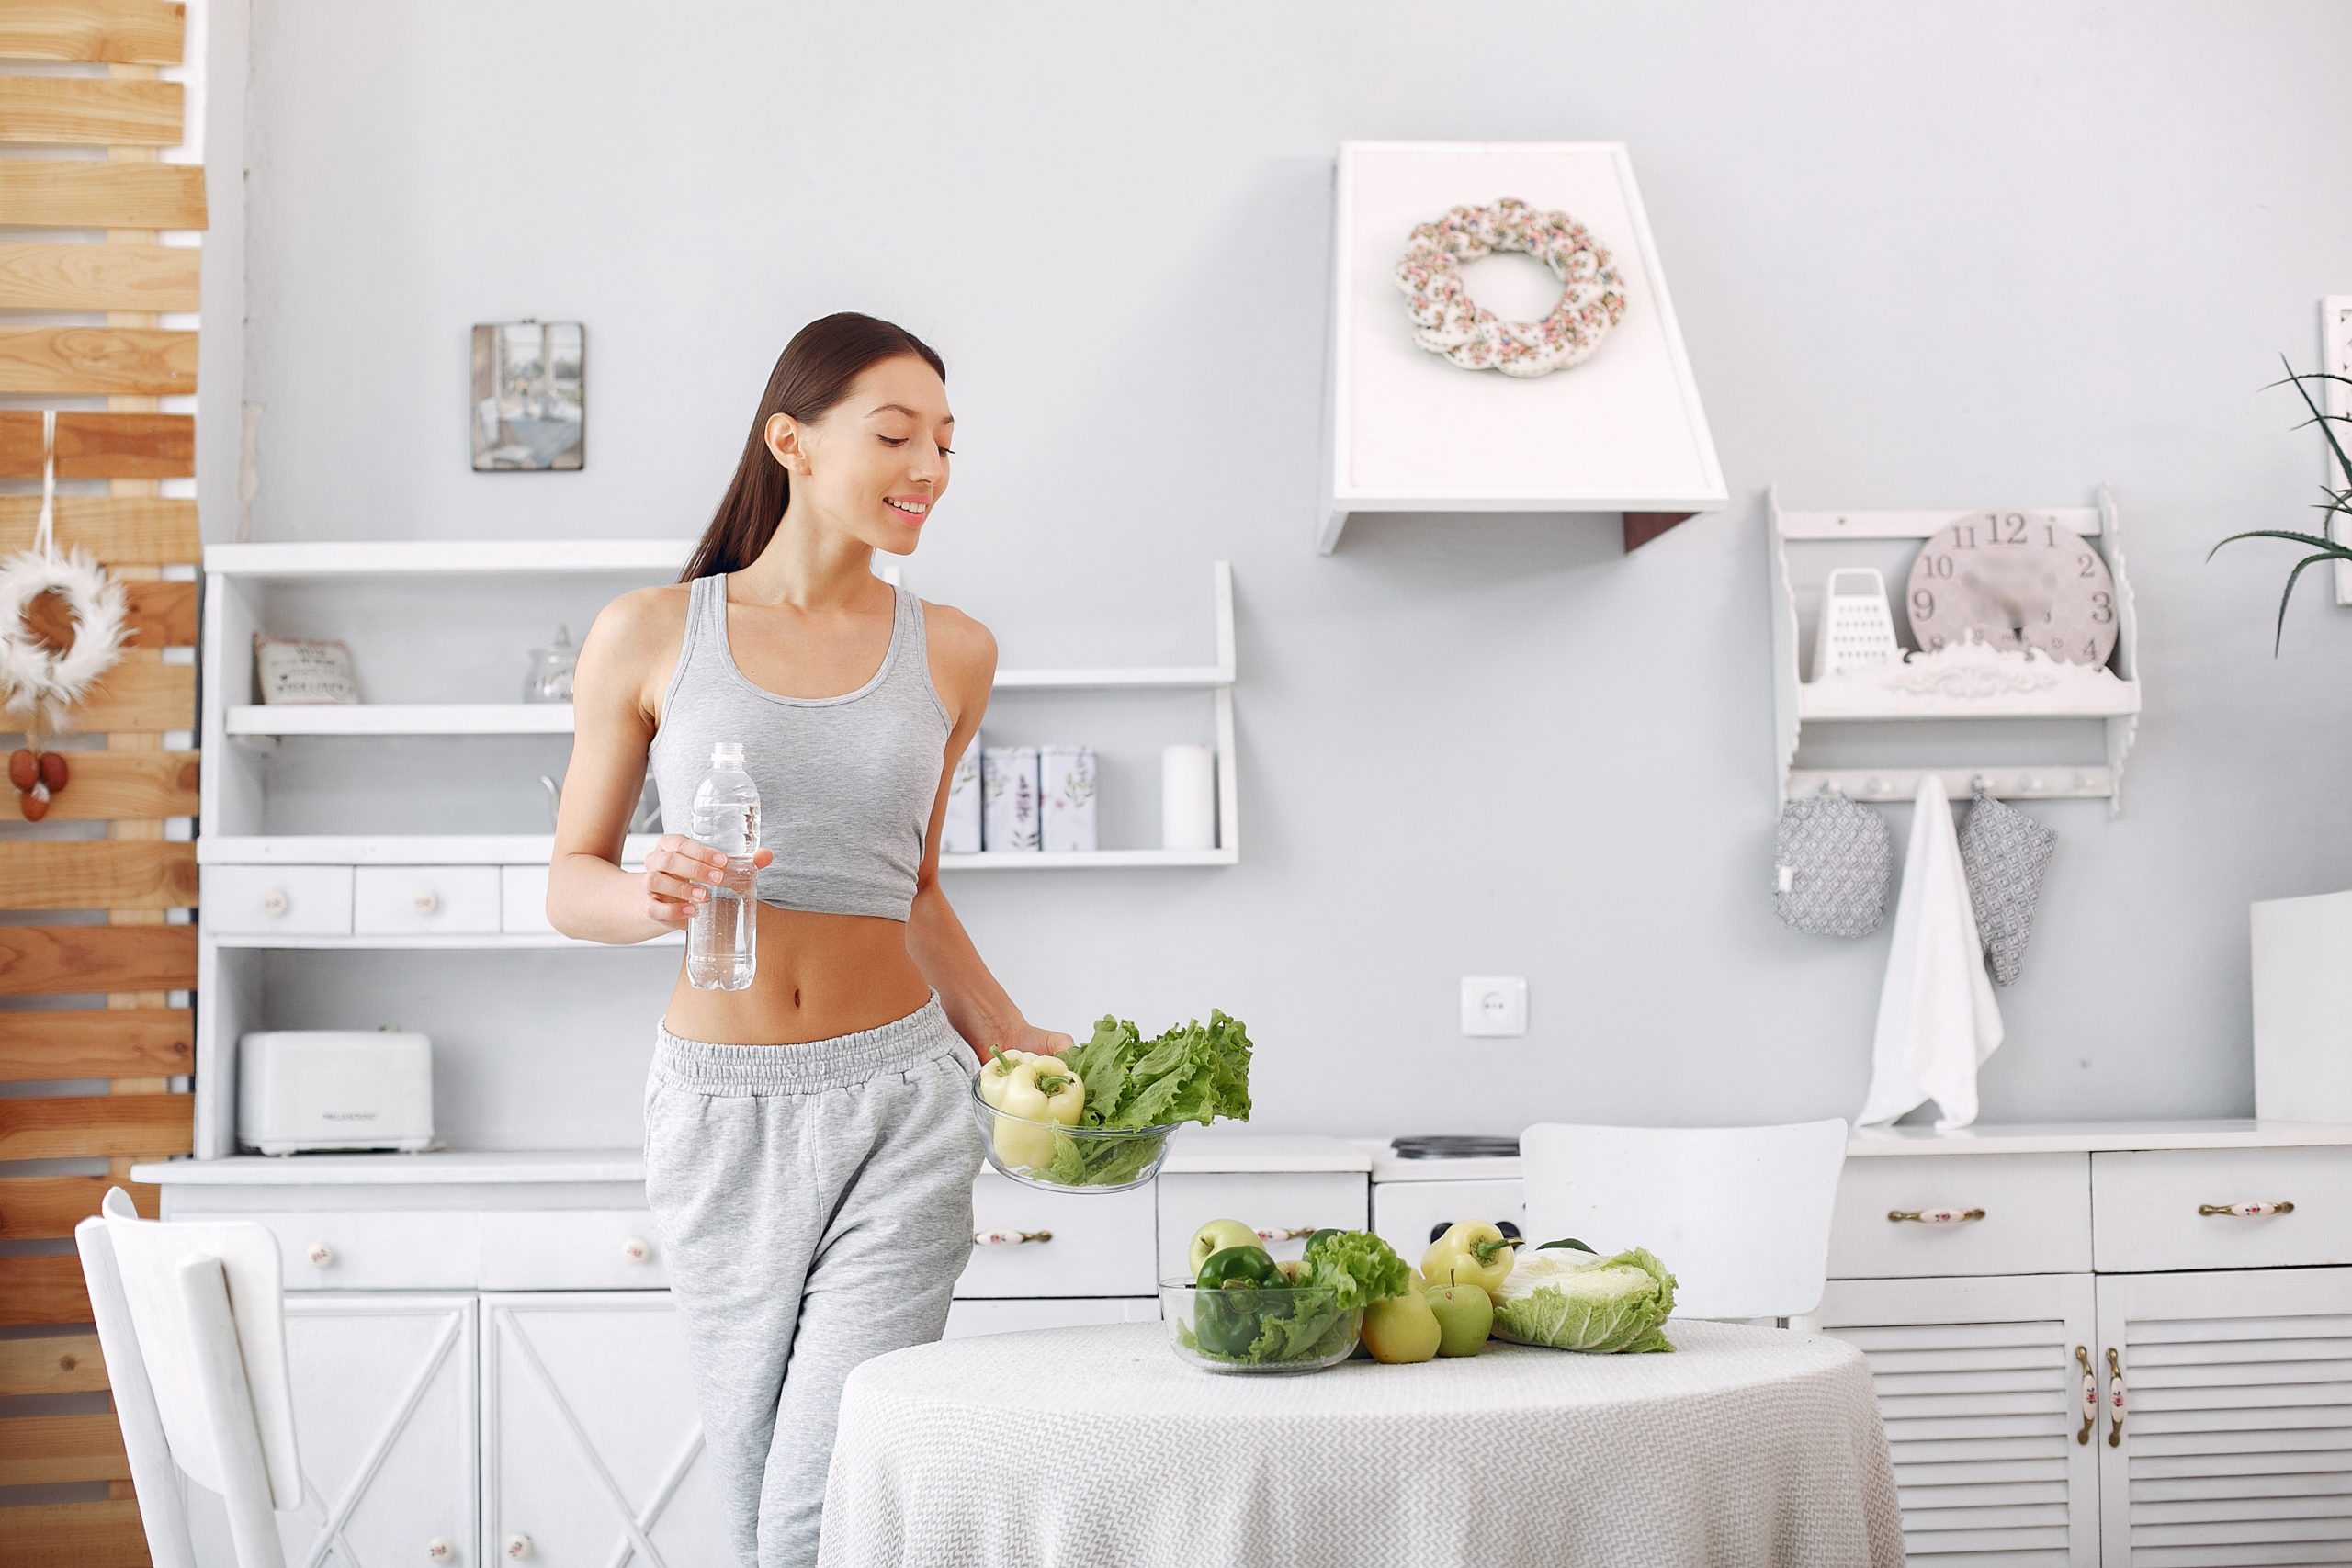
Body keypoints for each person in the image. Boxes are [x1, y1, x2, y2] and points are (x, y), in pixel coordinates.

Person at [547, 311, 1072, 1568]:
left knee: (824, 1498)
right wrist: (652, 889)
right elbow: (572, 882)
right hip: (720, 1110)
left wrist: (1010, 1041)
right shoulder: (653, 631)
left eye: (945, 442)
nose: (929, 470)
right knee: (753, 1491)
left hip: (902, 1103)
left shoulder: (954, 650)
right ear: (791, 439)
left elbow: (919, 890)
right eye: (896, 436)